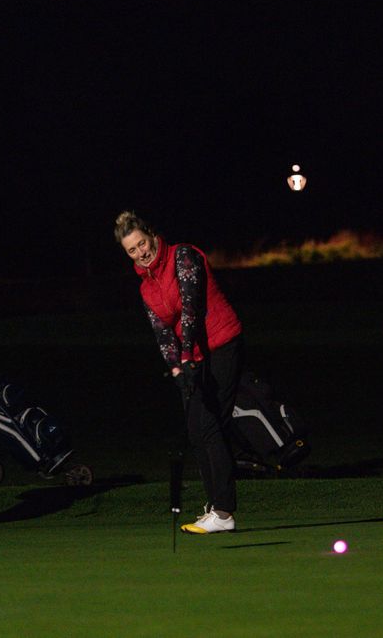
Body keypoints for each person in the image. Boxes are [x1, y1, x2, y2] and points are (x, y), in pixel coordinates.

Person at [114, 211, 244, 534]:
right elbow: (162, 332)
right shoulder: (146, 287)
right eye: (132, 250)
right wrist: (176, 369)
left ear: (151, 235)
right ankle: (215, 507)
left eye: (142, 243)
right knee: (196, 428)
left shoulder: (182, 256)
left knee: (211, 425)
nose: (141, 252)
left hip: (223, 344)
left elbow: (191, 309)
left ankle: (225, 511)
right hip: (193, 357)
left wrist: (187, 358)